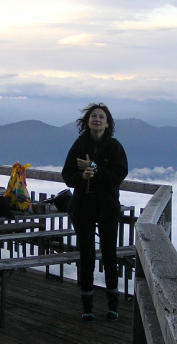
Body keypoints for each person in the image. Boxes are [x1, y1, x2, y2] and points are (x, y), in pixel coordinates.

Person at [62, 103, 128, 322]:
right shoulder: (79, 145)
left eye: (101, 117)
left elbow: (119, 175)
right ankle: (87, 307)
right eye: (93, 116)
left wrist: (97, 171)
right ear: (87, 121)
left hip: (107, 208)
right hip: (83, 207)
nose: (97, 120)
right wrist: (81, 177)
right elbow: (67, 173)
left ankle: (112, 306)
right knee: (87, 255)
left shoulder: (115, 147)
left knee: (110, 254)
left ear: (108, 123)